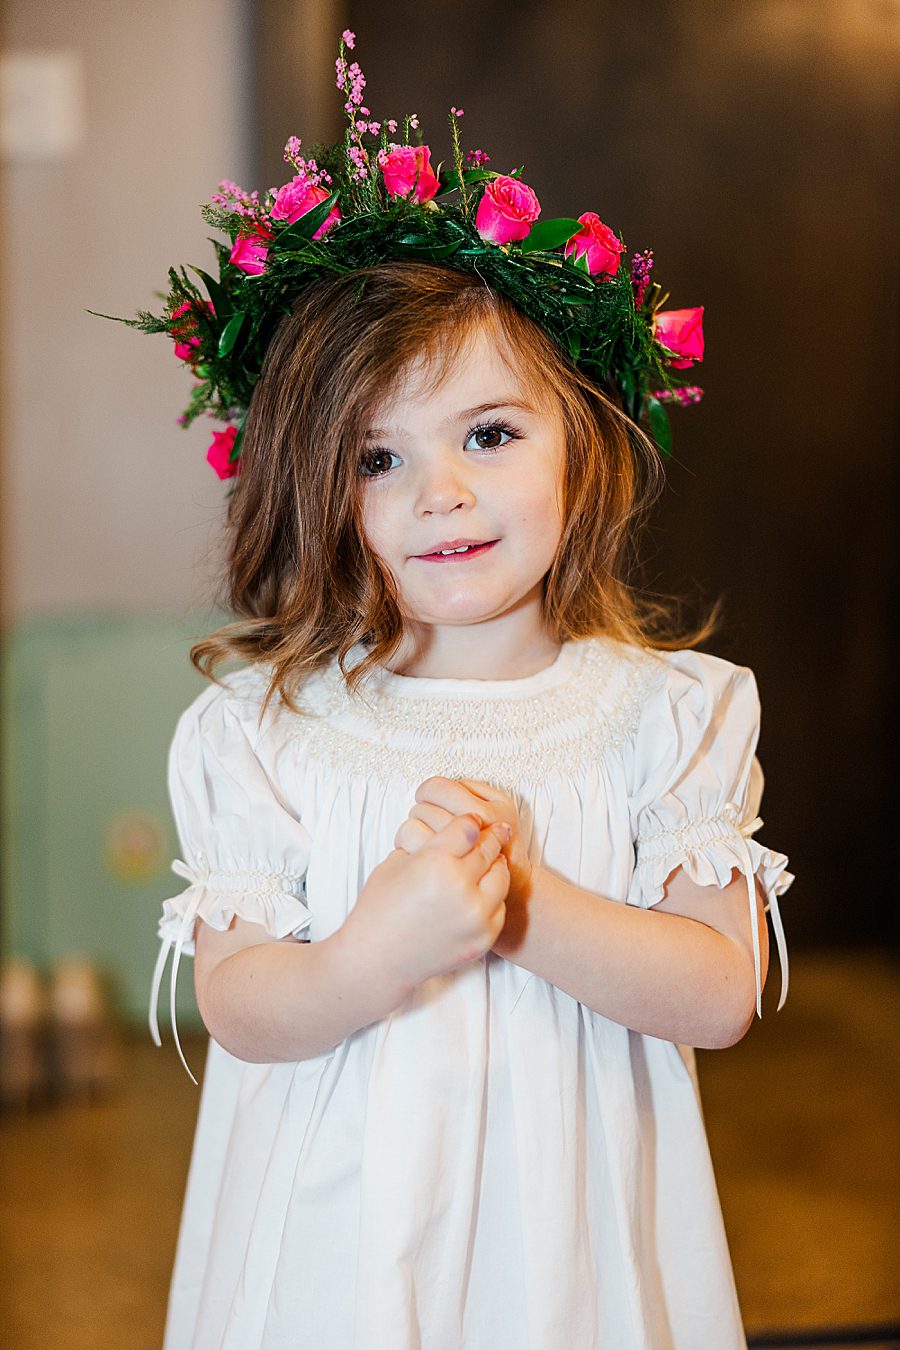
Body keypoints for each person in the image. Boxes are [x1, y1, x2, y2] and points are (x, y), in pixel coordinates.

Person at [135, 32, 792, 1350]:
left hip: (575, 1251)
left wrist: (522, 907)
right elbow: (241, 1002)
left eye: (489, 432)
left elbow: (721, 990)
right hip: (341, 1242)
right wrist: (379, 947)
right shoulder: (265, 732)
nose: (440, 492)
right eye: (380, 456)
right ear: (323, 489)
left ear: (583, 436)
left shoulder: (674, 716)